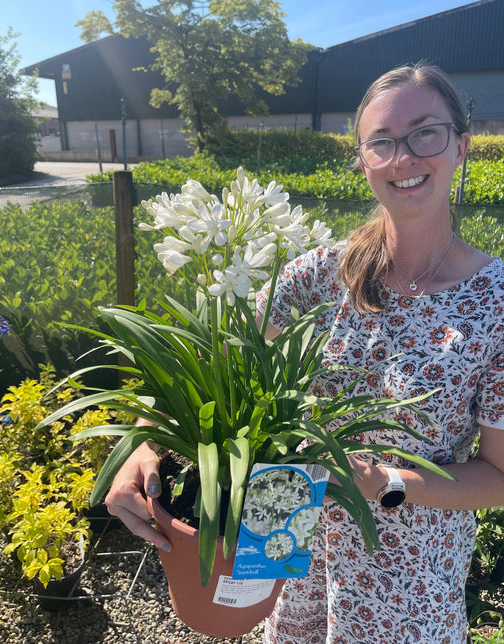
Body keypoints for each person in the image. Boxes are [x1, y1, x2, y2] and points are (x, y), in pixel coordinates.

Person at [105, 62, 504, 644]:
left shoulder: (495, 303)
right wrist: (145, 439)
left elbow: (498, 476)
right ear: (363, 159)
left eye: (426, 132)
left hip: (405, 587)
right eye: (382, 142)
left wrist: (384, 478)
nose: (403, 158)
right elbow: (214, 357)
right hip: (283, 539)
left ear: (462, 145)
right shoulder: (326, 270)